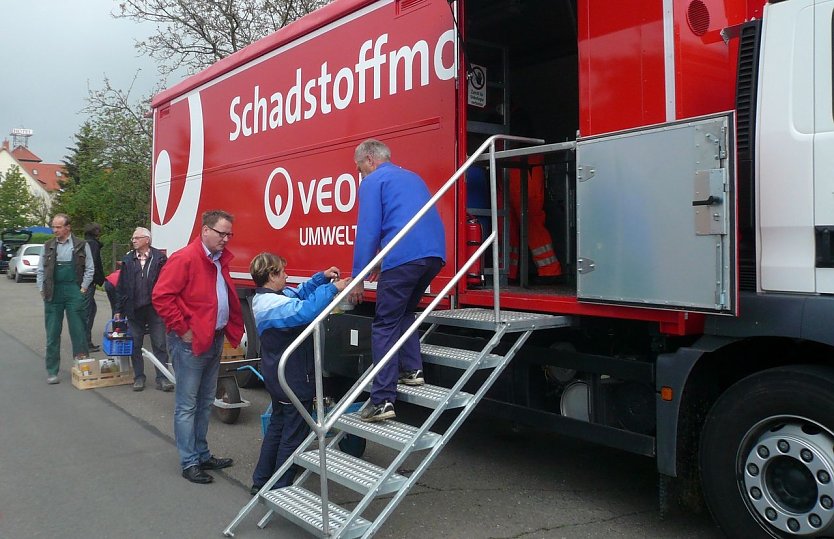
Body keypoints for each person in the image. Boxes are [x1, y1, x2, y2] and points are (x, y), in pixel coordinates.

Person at [349, 139, 446, 422]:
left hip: (404, 257)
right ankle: (412, 371)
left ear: (369, 159)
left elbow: (368, 231)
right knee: (404, 312)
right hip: (433, 256)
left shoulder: (373, 181)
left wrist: (358, 278)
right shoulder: (411, 177)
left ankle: (381, 401)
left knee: (384, 325)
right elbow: (405, 222)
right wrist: (382, 262)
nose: (360, 174)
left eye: (360, 168)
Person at [152, 210, 244, 484]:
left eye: (229, 234)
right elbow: (161, 296)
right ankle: (189, 462)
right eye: (221, 233)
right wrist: (183, 329)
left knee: (205, 402)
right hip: (190, 342)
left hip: (211, 338)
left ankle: (202, 454)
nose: (226, 239)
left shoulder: (216, 260)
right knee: (187, 405)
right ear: (205, 230)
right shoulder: (186, 258)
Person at [248, 252, 349, 494]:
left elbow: (299, 293)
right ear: (271, 276)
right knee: (293, 434)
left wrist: (321, 279)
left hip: (279, 375)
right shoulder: (271, 305)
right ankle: (281, 487)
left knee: (278, 427)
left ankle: (261, 480)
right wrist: (333, 288)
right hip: (293, 377)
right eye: (282, 272)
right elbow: (305, 311)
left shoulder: (270, 298)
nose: (286, 275)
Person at [36, 213, 94, 384]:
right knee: (52, 332)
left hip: (74, 290)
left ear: (68, 227)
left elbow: (90, 268)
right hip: (53, 292)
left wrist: (83, 288)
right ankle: (52, 370)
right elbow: (40, 270)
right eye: (53, 226)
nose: (55, 230)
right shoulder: (47, 246)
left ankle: (82, 366)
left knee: (78, 330)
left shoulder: (81, 245)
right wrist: (41, 289)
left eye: (58, 227)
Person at [115, 227, 173, 392]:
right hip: (133, 308)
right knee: (135, 344)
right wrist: (118, 309)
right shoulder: (128, 259)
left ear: (147, 240)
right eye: (133, 238)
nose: (133, 240)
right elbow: (121, 286)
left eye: (137, 238)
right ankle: (139, 377)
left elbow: (167, 283)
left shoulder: (160, 259)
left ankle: (162, 378)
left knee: (160, 344)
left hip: (155, 309)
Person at [83, 223, 106, 352]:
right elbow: (93, 264)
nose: (100, 232)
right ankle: (85, 342)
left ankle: (85, 341)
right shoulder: (92, 245)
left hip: (86, 281)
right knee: (88, 311)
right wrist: (97, 278)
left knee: (90, 309)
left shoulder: (86, 243)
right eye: (98, 230)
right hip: (89, 282)